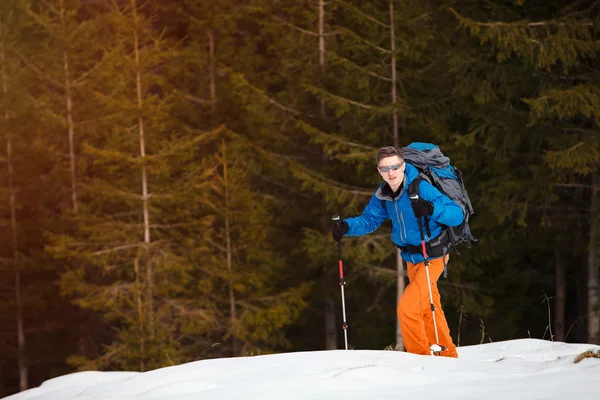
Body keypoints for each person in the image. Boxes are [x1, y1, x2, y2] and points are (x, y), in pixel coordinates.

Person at [331, 146, 464, 357]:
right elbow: (368, 220)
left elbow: (457, 214)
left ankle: (420, 359)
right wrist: (346, 227)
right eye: (385, 169)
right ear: (379, 171)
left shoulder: (421, 187)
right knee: (429, 307)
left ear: (403, 166)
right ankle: (447, 355)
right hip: (411, 258)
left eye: (395, 167)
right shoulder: (383, 193)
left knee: (408, 308)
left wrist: (431, 208)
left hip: (433, 255)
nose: (391, 173)